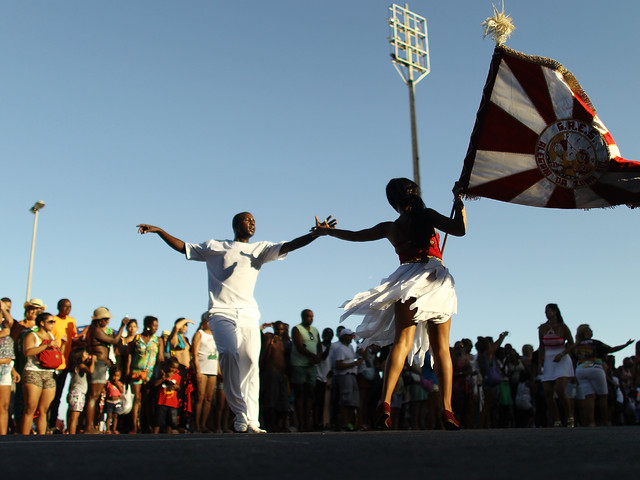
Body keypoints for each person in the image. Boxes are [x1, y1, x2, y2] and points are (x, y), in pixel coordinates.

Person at [137, 211, 334, 433]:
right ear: (235, 224)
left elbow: (289, 245)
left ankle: (252, 420)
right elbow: (184, 247)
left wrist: (316, 234)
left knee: (250, 362)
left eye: (254, 221)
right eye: (247, 219)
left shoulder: (259, 249)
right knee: (230, 353)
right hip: (221, 312)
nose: (252, 223)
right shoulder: (215, 246)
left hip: (249, 313)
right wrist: (160, 231)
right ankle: (240, 413)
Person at [312, 177, 466, 430]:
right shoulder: (426, 215)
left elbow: (356, 236)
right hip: (434, 278)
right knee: (441, 349)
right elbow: (459, 229)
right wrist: (459, 203)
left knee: (402, 343)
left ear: (393, 201)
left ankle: (384, 403)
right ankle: (447, 409)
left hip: (406, 280)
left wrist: (327, 231)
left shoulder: (390, 227)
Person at [571, 324, 633, 426]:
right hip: (595, 368)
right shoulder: (595, 343)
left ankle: (591, 422)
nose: (592, 332)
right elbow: (611, 349)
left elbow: (573, 358)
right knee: (603, 396)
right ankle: (605, 421)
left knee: (589, 396)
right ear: (586, 332)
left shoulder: (576, 345)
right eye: (590, 330)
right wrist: (626, 345)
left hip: (581, 370)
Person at [85, 307, 129, 434]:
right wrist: (122, 326)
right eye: (106, 319)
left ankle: (91, 425)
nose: (108, 322)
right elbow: (115, 341)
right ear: (100, 320)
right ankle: (89, 427)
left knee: (96, 396)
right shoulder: (96, 330)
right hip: (98, 364)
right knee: (93, 396)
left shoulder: (94, 330)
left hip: (101, 364)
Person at [21, 312, 64, 435]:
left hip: (49, 373)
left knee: (44, 410)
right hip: (33, 372)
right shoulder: (32, 335)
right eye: (51, 322)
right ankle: (23, 440)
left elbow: (55, 355)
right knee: (30, 408)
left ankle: (41, 439)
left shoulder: (51, 336)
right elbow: (27, 352)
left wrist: (63, 344)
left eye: (54, 322)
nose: (53, 324)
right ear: (42, 323)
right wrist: (45, 346)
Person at [537, 303, 574, 427]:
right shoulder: (542, 328)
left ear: (555, 311)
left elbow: (572, 343)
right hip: (549, 359)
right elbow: (541, 346)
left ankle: (569, 416)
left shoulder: (563, 327)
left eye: (548, 311)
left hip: (561, 358)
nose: (547, 313)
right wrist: (540, 362)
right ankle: (556, 419)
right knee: (547, 391)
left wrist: (563, 353)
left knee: (559, 389)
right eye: (545, 311)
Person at [125, 315, 159, 434]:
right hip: (136, 371)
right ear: (148, 326)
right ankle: (134, 426)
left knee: (147, 400)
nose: (156, 328)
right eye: (154, 325)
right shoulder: (137, 338)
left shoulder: (157, 340)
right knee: (137, 399)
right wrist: (127, 370)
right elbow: (130, 354)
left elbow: (160, 358)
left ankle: (147, 425)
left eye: (157, 325)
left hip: (150, 374)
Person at [48, 298, 77, 433]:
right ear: (59, 307)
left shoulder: (72, 321)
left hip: (64, 364)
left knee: (58, 396)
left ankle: (53, 424)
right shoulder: (52, 320)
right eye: (65, 306)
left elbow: (75, 339)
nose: (67, 309)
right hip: (51, 363)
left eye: (69, 307)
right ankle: (44, 424)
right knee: (49, 396)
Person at [290, 309, 321, 432]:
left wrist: (317, 358)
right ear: (303, 317)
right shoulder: (297, 329)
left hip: (311, 366)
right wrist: (314, 357)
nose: (310, 319)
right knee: (299, 394)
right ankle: (300, 423)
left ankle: (308, 423)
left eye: (312, 316)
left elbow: (319, 345)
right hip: (299, 365)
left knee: (309, 394)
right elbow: (299, 346)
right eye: (308, 316)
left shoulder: (315, 330)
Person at [259, 321, 289, 432]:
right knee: (270, 400)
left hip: (281, 374)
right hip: (270, 373)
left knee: (282, 401)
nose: (280, 331)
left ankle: (279, 424)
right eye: (278, 329)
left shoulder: (284, 341)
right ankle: (270, 425)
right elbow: (264, 353)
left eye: (282, 329)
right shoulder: (269, 337)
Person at [192, 313, 219, 433]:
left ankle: (203, 424)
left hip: (213, 369)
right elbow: (194, 353)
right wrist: (197, 370)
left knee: (209, 398)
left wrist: (219, 370)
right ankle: (196, 424)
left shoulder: (217, 335)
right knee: (200, 397)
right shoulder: (199, 334)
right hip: (202, 369)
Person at [333, 328, 363, 431]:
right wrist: (354, 364)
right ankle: (345, 423)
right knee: (346, 400)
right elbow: (338, 364)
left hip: (352, 375)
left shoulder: (350, 347)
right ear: (343, 336)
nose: (351, 337)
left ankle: (350, 423)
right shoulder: (340, 349)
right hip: (344, 375)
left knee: (353, 401)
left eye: (351, 335)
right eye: (349, 335)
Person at [0, 300, 19, 435]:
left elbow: (10, 323)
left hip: (6, 369)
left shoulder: (6, 328)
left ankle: (3, 436)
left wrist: (12, 369)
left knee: (4, 406)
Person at [66, 347, 95, 434]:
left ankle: (69, 432)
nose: (87, 355)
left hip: (74, 392)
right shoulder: (81, 366)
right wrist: (93, 360)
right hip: (78, 393)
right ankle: (72, 435)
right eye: (85, 354)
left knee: (72, 417)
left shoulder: (75, 366)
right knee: (74, 417)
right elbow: (91, 371)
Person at [153, 357, 181, 434]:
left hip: (172, 403)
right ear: (168, 365)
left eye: (175, 368)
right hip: (162, 402)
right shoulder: (162, 374)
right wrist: (164, 378)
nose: (173, 370)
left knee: (171, 422)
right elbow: (155, 384)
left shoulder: (177, 376)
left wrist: (176, 387)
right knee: (158, 421)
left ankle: (168, 436)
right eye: (172, 367)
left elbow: (179, 387)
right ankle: (154, 435)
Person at [104, 367, 124, 434]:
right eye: (114, 376)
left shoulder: (120, 384)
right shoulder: (108, 384)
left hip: (117, 402)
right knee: (109, 416)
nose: (115, 378)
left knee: (115, 416)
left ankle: (114, 429)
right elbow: (105, 390)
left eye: (117, 376)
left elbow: (122, 391)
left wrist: (118, 385)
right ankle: (108, 429)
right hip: (109, 401)